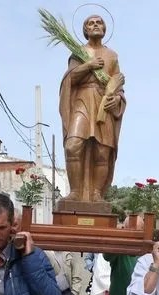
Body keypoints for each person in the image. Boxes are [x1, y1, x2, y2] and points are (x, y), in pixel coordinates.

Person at [59, 15, 125, 203]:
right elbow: (70, 79)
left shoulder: (112, 55)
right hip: (83, 101)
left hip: (103, 102)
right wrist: (89, 65)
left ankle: (97, 193)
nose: (95, 25)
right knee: (73, 146)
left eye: (99, 22)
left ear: (104, 29)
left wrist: (117, 98)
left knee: (103, 152)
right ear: (85, 30)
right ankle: (76, 192)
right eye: (91, 23)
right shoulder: (78, 52)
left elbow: (118, 83)